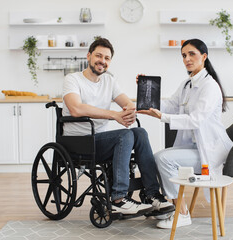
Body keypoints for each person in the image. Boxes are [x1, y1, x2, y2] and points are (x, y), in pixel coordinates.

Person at [62, 38, 174, 215]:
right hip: (78, 142)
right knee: (125, 135)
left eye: (107, 58)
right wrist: (115, 115)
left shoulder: (109, 81)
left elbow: (129, 105)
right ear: (89, 55)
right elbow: (76, 109)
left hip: (100, 140)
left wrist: (139, 94)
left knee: (139, 132)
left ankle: (152, 194)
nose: (102, 61)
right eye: (99, 56)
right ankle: (118, 199)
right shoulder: (73, 79)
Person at [137, 39, 233, 228]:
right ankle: (170, 207)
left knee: (163, 159)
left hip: (210, 150)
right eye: (183, 55)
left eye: (191, 54)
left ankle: (181, 213)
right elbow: (170, 105)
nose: (187, 59)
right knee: (157, 157)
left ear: (204, 57)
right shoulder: (186, 84)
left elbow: (196, 119)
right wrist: (145, 90)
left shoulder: (210, 86)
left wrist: (163, 117)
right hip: (194, 147)